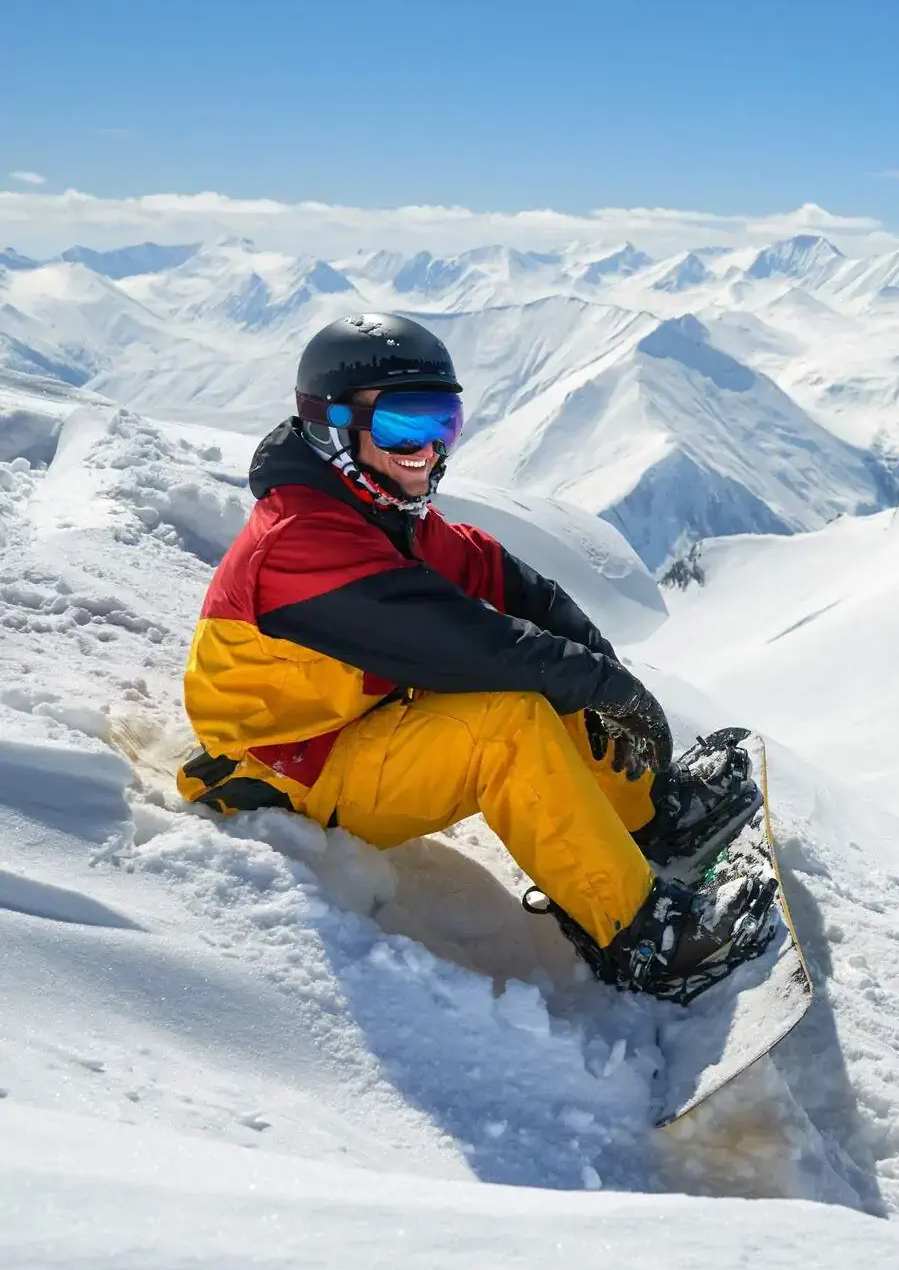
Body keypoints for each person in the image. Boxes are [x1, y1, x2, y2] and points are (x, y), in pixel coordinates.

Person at [176, 312, 768, 999]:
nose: (427, 448)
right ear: (333, 424)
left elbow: (508, 583)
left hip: (358, 724)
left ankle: (646, 816)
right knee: (509, 723)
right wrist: (604, 684)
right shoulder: (302, 543)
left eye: (443, 422)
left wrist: (606, 671)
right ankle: (640, 940)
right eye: (404, 424)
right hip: (293, 768)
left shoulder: (375, 509)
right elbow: (469, 645)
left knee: (553, 681)